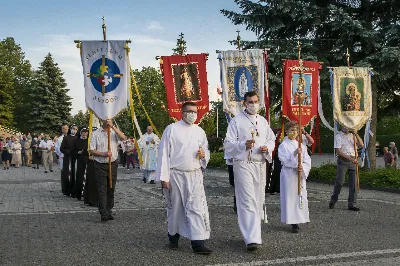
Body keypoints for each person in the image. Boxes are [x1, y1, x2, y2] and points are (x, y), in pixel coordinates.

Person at [156, 101, 212, 255]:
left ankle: (198, 242)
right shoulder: (172, 129)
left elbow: (206, 150)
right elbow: (163, 154)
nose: (192, 114)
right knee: (176, 208)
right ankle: (173, 237)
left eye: (194, 111)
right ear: (182, 112)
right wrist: (164, 177)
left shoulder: (200, 131)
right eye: (189, 111)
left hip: (194, 174)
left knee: (196, 208)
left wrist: (204, 155)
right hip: (176, 175)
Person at [224, 91, 276, 251]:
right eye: (250, 102)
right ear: (244, 103)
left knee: (258, 198)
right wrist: (242, 145)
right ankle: (251, 239)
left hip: (259, 164)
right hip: (244, 163)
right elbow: (228, 143)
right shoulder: (236, 121)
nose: (253, 104)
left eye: (255, 101)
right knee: (247, 199)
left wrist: (268, 148)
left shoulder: (263, 121)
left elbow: (271, 139)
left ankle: (255, 234)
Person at [89, 120, 126, 221]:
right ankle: (103, 212)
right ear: (101, 120)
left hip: (112, 164)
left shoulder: (114, 133)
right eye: (106, 119)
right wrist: (103, 154)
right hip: (100, 165)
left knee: (111, 188)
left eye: (109, 119)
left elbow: (123, 138)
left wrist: (113, 126)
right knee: (102, 189)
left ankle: (109, 210)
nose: (107, 121)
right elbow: (91, 150)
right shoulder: (96, 134)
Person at [279, 122, 311, 233]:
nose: (294, 132)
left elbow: (307, 160)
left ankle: (300, 218)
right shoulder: (283, 145)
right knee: (290, 198)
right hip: (289, 174)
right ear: (286, 131)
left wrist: (303, 167)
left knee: (300, 196)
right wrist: (294, 154)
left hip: (299, 174)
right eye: (291, 130)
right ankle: (293, 221)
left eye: (296, 130)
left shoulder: (301, 145)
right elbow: (283, 159)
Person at [329, 126, 364, 211]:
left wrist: (355, 133)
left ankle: (352, 204)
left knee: (354, 184)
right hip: (343, 160)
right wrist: (350, 159)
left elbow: (361, 145)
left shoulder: (353, 135)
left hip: (353, 160)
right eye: (345, 126)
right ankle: (333, 200)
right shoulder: (338, 136)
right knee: (340, 181)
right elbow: (339, 151)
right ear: (342, 126)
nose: (347, 127)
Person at [61, 124, 79, 197]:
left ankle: (74, 190)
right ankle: (67, 190)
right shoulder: (66, 138)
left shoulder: (78, 138)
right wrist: (68, 151)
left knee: (74, 174)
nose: (74, 130)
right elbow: (62, 149)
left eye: (76, 129)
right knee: (68, 174)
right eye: (73, 128)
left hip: (75, 158)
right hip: (67, 158)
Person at [74, 128, 89, 201]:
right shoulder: (76, 141)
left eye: (86, 132)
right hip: (80, 160)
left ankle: (86, 193)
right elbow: (73, 151)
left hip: (87, 160)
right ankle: (79, 193)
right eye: (83, 132)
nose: (85, 134)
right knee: (80, 176)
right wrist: (77, 152)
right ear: (81, 133)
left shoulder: (89, 140)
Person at [56, 124, 69, 194]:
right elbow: (57, 149)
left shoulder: (71, 137)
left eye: (66, 128)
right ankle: (64, 188)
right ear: (62, 130)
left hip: (70, 158)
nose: (65, 130)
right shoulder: (59, 139)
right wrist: (63, 154)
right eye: (63, 128)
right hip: (63, 157)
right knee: (63, 173)